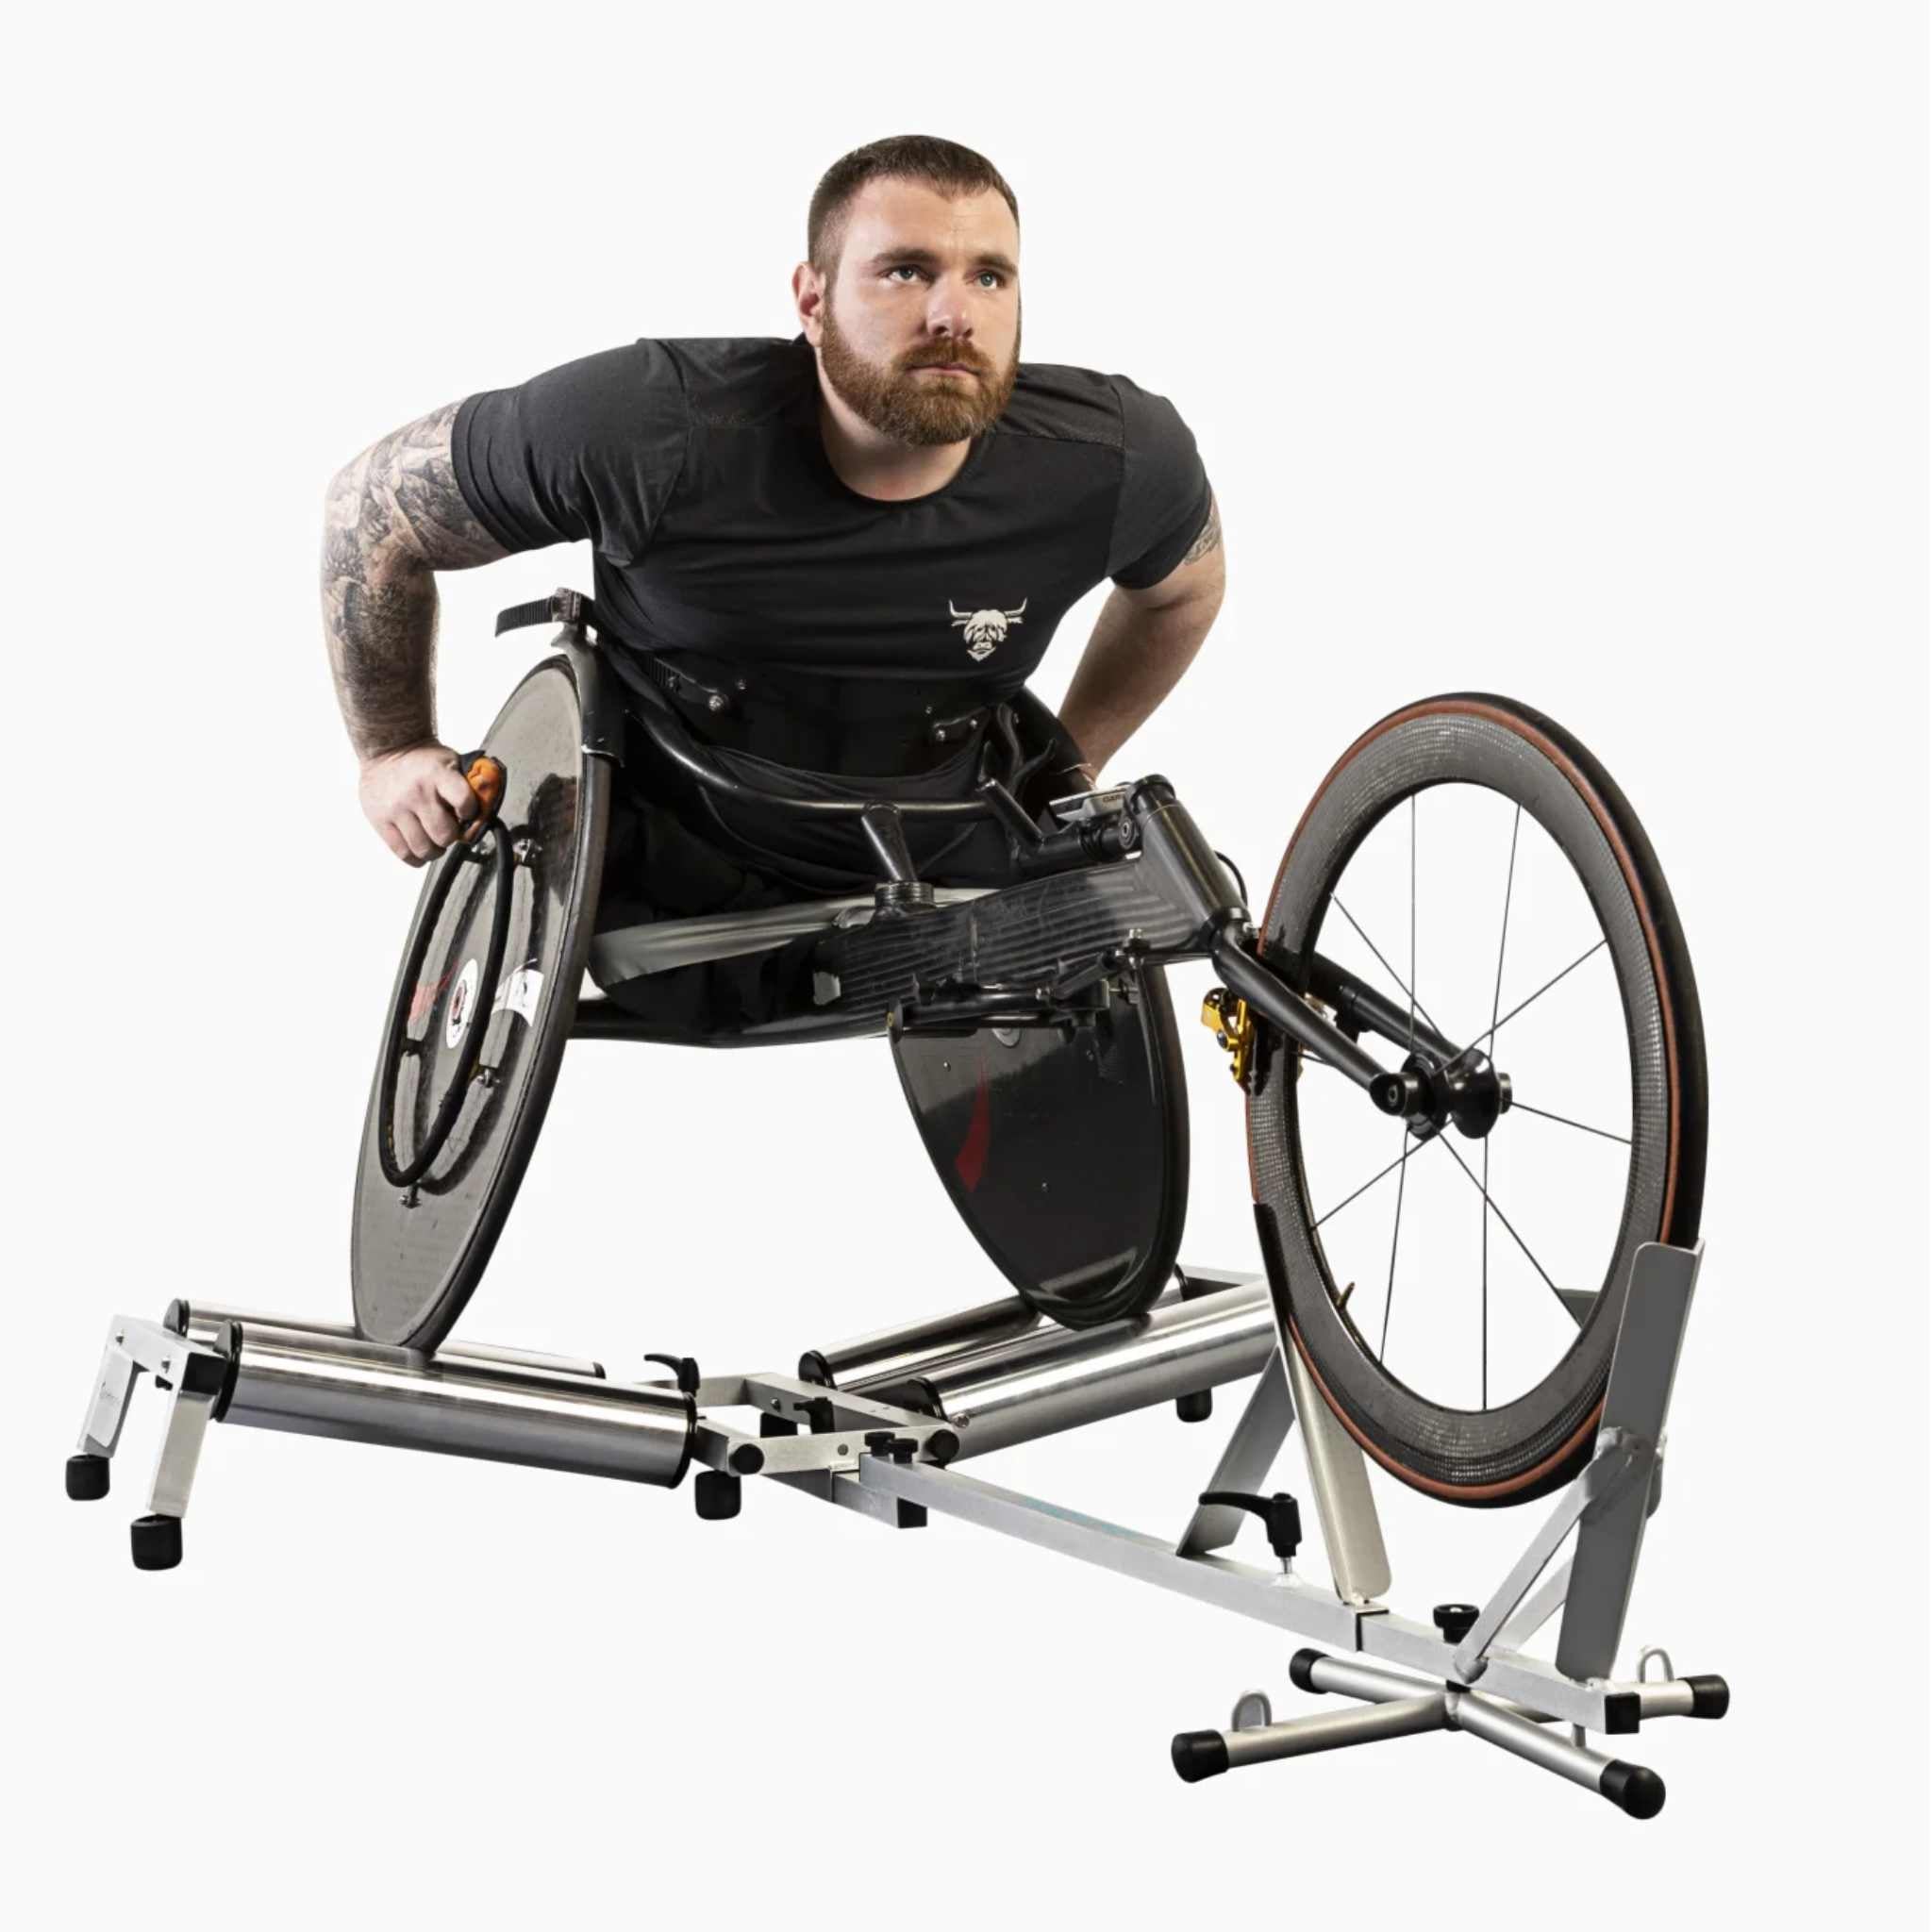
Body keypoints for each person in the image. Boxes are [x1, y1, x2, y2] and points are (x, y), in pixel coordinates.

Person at [320, 135, 1224, 1030]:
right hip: (669, 875)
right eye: (906, 272)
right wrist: (392, 750)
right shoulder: (648, 428)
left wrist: (1079, 761)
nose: (955, 313)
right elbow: (374, 509)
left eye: (990, 276)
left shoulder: (1113, 458)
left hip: (946, 860)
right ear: (812, 298)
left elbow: (1181, 590)